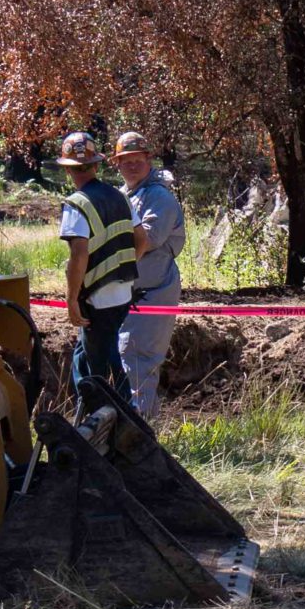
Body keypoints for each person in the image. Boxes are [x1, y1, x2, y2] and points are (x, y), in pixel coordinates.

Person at [55, 131, 139, 409]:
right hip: (123, 292)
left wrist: (70, 300)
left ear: (68, 169)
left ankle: (109, 419)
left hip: (96, 299)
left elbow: (79, 254)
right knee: (88, 353)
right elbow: (143, 240)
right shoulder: (120, 197)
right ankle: (96, 412)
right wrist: (122, 266)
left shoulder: (76, 204)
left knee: (100, 371)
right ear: (96, 165)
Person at [113, 131, 187, 418]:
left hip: (153, 293)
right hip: (126, 294)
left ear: (149, 160)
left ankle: (138, 435)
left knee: (138, 361)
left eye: (137, 160)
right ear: (117, 164)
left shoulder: (158, 197)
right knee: (125, 362)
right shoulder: (124, 196)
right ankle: (137, 431)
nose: (132, 166)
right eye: (125, 161)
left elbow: (144, 242)